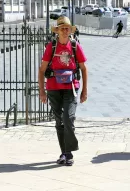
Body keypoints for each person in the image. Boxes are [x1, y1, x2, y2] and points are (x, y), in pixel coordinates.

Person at [38, 16, 88, 166]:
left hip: (71, 88)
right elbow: (42, 71)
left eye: (67, 28)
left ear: (70, 30)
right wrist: (42, 91)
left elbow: (84, 69)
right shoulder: (51, 47)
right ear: (57, 31)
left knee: (68, 117)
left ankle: (69, 152)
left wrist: (84, 90)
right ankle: (65, 153)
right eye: (62, 28)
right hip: (53, 88)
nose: (65, 31)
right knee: (59, 121)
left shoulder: (75, 46)